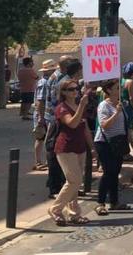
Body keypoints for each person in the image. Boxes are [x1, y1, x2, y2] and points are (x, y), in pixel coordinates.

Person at [48, 79, 92, 226]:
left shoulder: (80, 106)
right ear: (63, 92)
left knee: (74, 183)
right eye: (71, 89)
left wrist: (92, 147)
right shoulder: (61, 108)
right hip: (65, 148)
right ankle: (56, 209)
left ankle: (74, 214)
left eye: (76, 88)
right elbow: (72, 123)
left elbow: (84, 128)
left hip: (80, 147)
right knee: (75, 180)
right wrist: (81, 105)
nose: (75, 91)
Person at [94, 79, 130, 215]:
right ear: (109, 90)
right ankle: (100, 202)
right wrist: (116, 113)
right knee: (108, 172)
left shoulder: (120, 104)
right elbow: (104, 125)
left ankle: (114, 202)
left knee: (115, 172)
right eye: (116, 88)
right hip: (105, 142)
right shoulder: (104, 105)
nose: (119, 90)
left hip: (118, 142)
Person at [45, 57, 79, 199]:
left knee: (58, 153)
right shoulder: (62, 79)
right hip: (57, 118)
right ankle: (55, 187)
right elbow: (55, 99)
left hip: (56, 117)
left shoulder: (58, 76)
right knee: (56, 153)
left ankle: (59, 184)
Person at [32, 59, 57, 170]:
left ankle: (46, 161)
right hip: (42, 114)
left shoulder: (47, 81)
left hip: (44, 114)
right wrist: (41, 117)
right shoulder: (44, 82)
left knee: (45, 138)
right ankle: (38, 162)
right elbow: (40, 101)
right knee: (41, 138)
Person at [121, 62, 133, 161]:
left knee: (126, 131)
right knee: (131, 131)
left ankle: (126, 152)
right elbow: (132, 98)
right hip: (130, 109)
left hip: (123, 108)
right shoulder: (132, 82)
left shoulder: (122, 81)